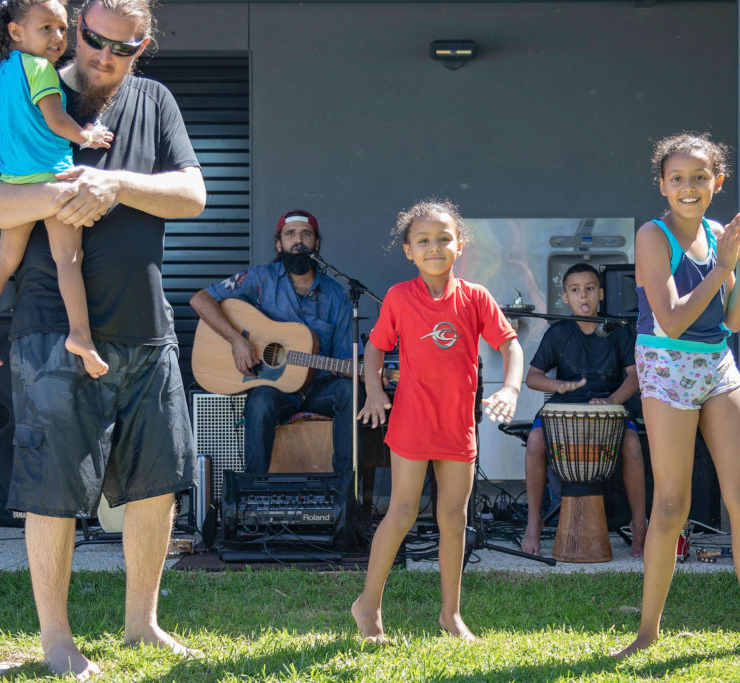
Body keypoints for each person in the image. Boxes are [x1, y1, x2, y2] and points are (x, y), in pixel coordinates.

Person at [0, 0, 206, 678]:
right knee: (53, 484)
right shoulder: (29, 81)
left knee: (157, 482)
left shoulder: (155, 103)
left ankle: (142, 624)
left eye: (120, 47)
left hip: (147, 328)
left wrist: (113, 183)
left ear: (142, 46)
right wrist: (55, 195)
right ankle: (57, 638)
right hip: (51, 332)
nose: (101, 55)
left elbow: (192, 195)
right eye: (92, 39)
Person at [612, 133, 740, 660]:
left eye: (700, 177)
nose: (689, 187)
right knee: (671, 503)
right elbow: (674, 317)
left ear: (718, 182)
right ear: (662, 185)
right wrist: (724, 268)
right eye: (677, 178)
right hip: (666, 363)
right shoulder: (652, 235)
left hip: (716, 363)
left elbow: (731, 320)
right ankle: (647, 631)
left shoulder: (719, 234)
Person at [352, 199, 524, 643]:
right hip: (411, 423)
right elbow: (375, 347)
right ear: (408, 250)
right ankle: (367, 605)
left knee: (454, 517)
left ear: (459, 245)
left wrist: (510, 388)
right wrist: (374, 391)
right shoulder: (398, 297)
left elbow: (510, 346)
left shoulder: (476, 298)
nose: (434, 247)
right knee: (403, 511)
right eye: (423, 241)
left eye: (444, 239)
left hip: (457, 426)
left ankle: (451, 614)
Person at [0, 0, 114, 379]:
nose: (58, 37)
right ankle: (80, 335)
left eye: (63, 28)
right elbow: (56, 118)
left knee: (4, 258)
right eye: (46, 27)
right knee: (68, 259)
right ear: (16, 32)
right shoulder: (41, 68)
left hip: (14, 184)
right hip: (54, 179)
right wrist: (88, 136)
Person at [189, 209, 356, 475]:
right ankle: (254, 493)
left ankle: (343, 490)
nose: (298, 241)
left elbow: (344, 358)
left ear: (317, 243)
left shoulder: (337, 295)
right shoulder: (258, 279)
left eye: (306, 234)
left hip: (318, 389)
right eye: (290, 234)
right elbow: (200, 300)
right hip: (275, 390)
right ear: (279, 244)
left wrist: (370, 373)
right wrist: (236, 341)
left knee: (349, 391)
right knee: (260, 401)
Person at [519, 263, 647, 559]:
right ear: (565, 298)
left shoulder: (617, 330)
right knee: (536, 442)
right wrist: (559, 384)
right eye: (575, 291)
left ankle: (639, 524)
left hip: (610, 408)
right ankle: (534, 521)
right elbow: (533, 377)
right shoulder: (558, 332)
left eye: (590, 288)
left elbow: (636, 376)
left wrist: (612, 400)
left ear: (600, 293)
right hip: (564, 409)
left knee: (631, 445)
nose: (584, 296)